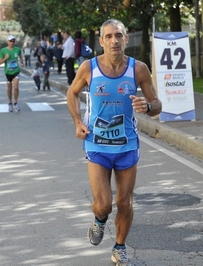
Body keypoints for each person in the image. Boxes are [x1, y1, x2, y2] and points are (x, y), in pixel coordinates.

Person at [66, 18, 162, 265]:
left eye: (118, 35)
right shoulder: (89, 68)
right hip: (96, 144)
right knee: (104, 205)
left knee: (125, 203)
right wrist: (78, 121)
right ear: (101, 41)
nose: (114, 41)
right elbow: (72, 92)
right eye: (108, 36)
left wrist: (148, 106)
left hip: (127, 144)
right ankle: (99, 220)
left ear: (126, 39)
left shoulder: (138, 69)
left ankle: (119, 247)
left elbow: (156, 105)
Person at [0, 35, 24, 112]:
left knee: (16, 87)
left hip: (16, 71)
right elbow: (0, 62)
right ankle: (10, 103)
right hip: (8, 72)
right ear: (7, 41)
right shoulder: (3, 51)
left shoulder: (17, 49)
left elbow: (20, 56)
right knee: (9, 88)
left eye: (13, 41)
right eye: (10, 41)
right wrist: (5, 58)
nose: (12, 42)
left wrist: (21, 62)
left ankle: (16, 102)